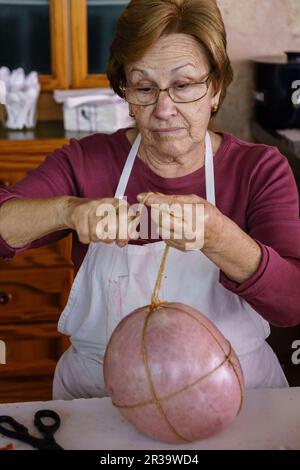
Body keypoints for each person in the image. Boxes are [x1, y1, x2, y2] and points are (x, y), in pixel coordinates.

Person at [0, 0, 300, 400]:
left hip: (237, 396)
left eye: (183, 86)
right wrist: (68, 210)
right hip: (102, 398)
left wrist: (219, 236)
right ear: (124, 92)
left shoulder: (258, 168)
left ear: (216, 88)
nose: (164, 109)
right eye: (144, 87)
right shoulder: (86, 161)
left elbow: (292, 304)